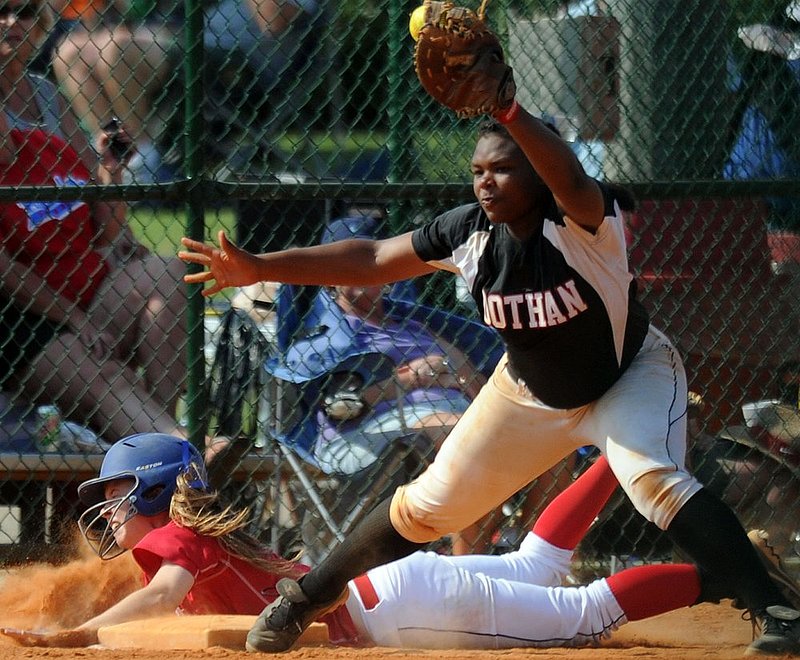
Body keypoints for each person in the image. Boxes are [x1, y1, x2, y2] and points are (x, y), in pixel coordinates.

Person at [179, 89, 800, 654]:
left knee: (654, 482)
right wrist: (260, 264)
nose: (485, 182)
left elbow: (571, 177)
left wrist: (510, 111)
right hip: (527, 391)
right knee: (428, 507)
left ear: (537, 171)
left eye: (502, 168)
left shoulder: (585, 224)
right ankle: (307, 594)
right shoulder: (468, 233)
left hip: (629, 376)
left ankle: (777, 612)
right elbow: (370, 258)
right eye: (477, 170)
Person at [4, 431, 783, 651]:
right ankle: (626, 449)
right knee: (534, 564)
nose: (107, 513)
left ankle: (733, 581)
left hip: (393, 617)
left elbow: (161, 596)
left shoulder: (173, 538)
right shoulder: (191, 531)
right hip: (401, 591)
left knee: (581, 616)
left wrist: (76, 638)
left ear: (148, 490)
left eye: (113, 495)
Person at [1, 4, 189, 441]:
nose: (14, 21)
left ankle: (155, 455)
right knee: (109, 382)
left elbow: (97, 206)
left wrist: (111, 173)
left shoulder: (45, 100)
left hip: (90, 290)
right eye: (3, 10)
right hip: (31, 319)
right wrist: (75, 320)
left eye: (26, 11)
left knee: (170, 271)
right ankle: (176, 456)